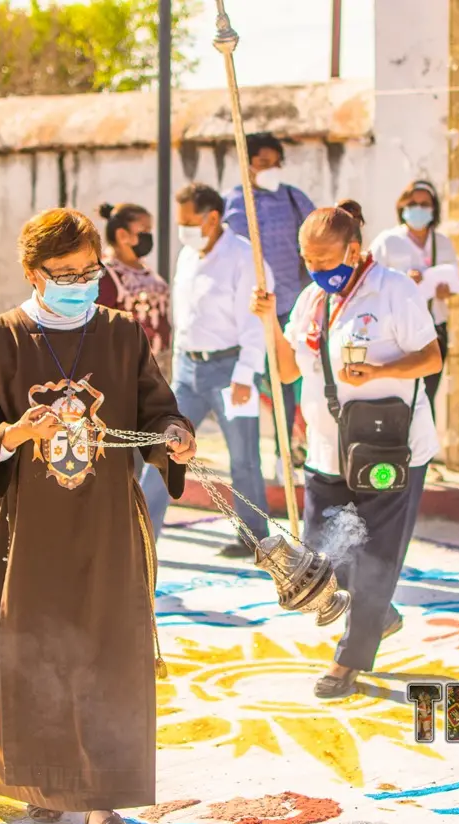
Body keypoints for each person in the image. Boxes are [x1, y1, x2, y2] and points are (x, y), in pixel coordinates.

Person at [0, 208, 195, 824]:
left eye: (91, 270)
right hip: (24, 532)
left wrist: (175, 439)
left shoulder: (121, 334)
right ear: (33, 274)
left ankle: (102, 802)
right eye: (66, 274)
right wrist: (15, 433)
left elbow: (157, 411)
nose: (82, 282)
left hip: (106, 529)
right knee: (29, 656)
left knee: (107, 656)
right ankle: (40, 787)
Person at [249, 202, 442, 699]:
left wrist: (379, 373)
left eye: (325, 259)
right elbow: (288, 371)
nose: (317, 270)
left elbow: (431, 356)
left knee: (374, 554)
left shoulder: (394, 290)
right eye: (308, 261)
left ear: (354, 250)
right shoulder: (312, 300)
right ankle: (380, 614)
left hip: (388, 450)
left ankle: (348, 662)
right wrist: (270, 321)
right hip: (326, 452)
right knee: (323, 551)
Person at [139, 184, 272, 559]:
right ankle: (144, 536)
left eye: (189, 222)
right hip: (188, 371)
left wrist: (246, 373)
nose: (183, 230)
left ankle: (254, 538)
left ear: (213, 218)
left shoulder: (244, 258)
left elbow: (254, 320)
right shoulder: (188, 255)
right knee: (164, 451)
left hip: (231, 370)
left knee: (244, 458)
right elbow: (185, 318)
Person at [225, 132, 316, 478]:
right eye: (263, 163)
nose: (270, 169)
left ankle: (285, 455)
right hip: (250, 310)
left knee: (287, 383)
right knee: (247, 381)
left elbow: (315, 240)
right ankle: (248, 462)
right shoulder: (233, 204)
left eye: (275, 163)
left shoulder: (294, 199)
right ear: (247, 165)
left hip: (291, 307)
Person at [368, 179, 459, 420]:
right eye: (413, 204)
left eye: (424, 204)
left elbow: (454, 281)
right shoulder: (388, 242)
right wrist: (402, 280)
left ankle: (422, 454)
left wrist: (444, 290)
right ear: (402, 207)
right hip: (397, 332)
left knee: (426, 396)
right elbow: (368, 281)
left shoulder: (442, 243)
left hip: (434, 328)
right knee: (398, 393)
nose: (419, 209)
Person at [97, 202, 172, 377]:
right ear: (122, 234)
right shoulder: (108, 274)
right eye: (144, 230)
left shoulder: (143, 267)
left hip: (158, 364)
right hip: (127, 368)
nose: (149, 236)